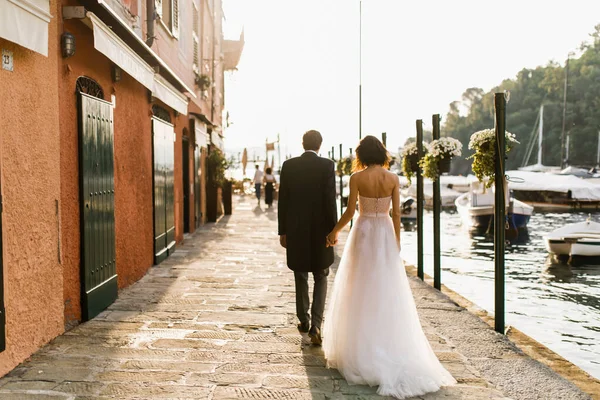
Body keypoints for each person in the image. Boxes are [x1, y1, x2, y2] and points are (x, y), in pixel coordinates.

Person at [323, 135, 455, 399]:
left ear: (361, 154)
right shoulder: (393, 178)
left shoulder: (357, 178)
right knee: (385, 288)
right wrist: (396, 240)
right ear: (382, 153)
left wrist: (333, 232)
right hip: (383, 231)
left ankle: (359, 347)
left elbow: (350, 213)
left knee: (358, 287)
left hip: (362, 232)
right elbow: (396, 214)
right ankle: (386, 344)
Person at [278, 130, 337, 345]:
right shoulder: (327, 165)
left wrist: (282, 231)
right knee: (321, 275)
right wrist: (334, 231)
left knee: (300, 273)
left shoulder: (289, 166)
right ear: (320, 145)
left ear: (302, 144)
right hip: (322, 230)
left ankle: (303, 320)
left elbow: (282, 201)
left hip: (296, 229)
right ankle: (317, 325)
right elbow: (331, 201)